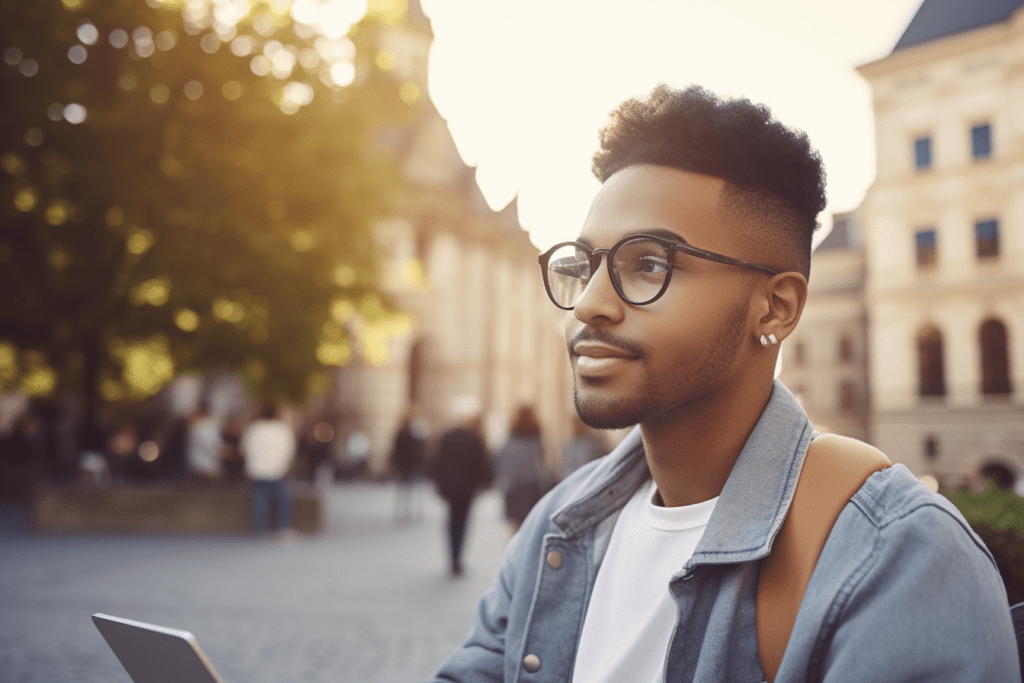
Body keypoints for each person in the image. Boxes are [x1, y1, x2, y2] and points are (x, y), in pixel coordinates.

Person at [429, 84, 1018, 681]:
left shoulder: (896, 558)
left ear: (775, 308)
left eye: (650, 264)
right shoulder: (560, 523)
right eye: (584, 266)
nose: (587, 304)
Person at [430, 411, 491, 578]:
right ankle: (458, 559)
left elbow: (436, 461)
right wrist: (485, 484)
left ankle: (452, 557)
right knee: (463, 522)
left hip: (450, 487)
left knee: (451, 519)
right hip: (467, 488)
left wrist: (438, 483)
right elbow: (482, 464)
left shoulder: (447, 437)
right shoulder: (475, 439)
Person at [241, 402, 297, 537]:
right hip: (278, 470)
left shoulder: (253, 428)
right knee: (283, 501)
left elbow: (245, 448)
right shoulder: (283, 429)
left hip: (257, 470)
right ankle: (283, 528)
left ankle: (260, 529)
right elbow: (289, 450)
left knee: (260, 501)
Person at [495, 405, 547, 532]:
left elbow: (504, 461)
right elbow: (541, 464)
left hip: (514, 485)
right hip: (531, 485)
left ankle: (517, 550)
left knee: (516, 526)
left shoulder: (511, 435)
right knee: (530, 524)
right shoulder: (537, 435)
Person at [390, 409, 426, 522]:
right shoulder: (407, 433)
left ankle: (407, 511)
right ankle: (407, 511)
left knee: (407, 489)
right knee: (409, 488)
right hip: (408, 464)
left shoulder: (411, 432)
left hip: (408, 464)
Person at [185, 403, 221, 482]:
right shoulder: (198, 427)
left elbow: (211, 446)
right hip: (204, 466)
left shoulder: (203, 427)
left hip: (202, 466)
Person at [560, 415, 603, 480]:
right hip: (575, 479)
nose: (577, 426)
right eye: (575, 424)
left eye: (579, 423)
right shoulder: (569, 447)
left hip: (591, 476)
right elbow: (567, 468)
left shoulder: (592, 442)